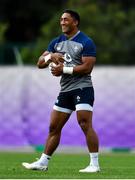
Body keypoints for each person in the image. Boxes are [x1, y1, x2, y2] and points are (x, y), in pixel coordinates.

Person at [22, 9, 100, 173]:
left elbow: (87, 67)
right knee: (53, 127)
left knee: (84, 123)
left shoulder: (86, 42)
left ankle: (94, 164)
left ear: (75, 22)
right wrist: (51, 56)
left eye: (66, 19)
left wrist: (64, 69)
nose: (62, 22)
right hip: (65, 91)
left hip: (83, 88)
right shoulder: (56, 42)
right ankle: (43, 162)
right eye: (61, 19)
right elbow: (40, 63)